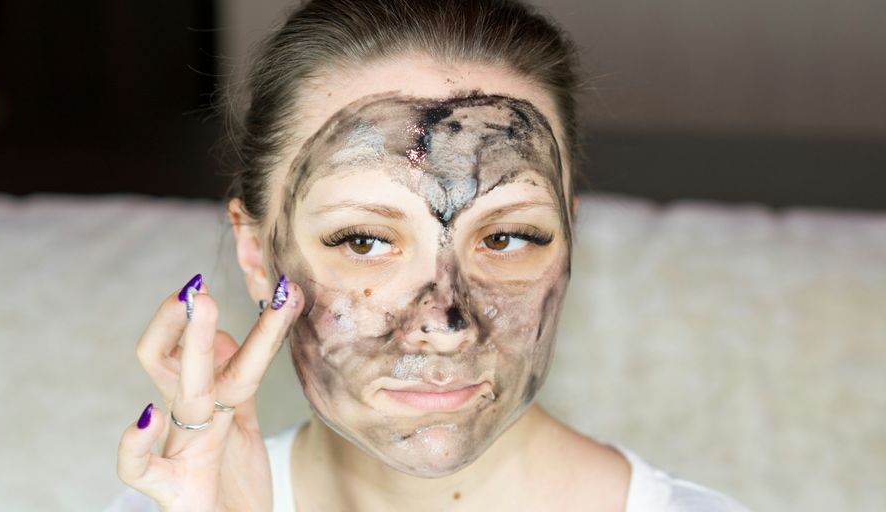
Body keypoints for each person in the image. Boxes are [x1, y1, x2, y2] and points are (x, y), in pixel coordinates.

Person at [109, 1, 750, 510]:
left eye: (506, 238)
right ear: (257, 255)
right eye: (365, 241)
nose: (447, 326)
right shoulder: (179, 502)